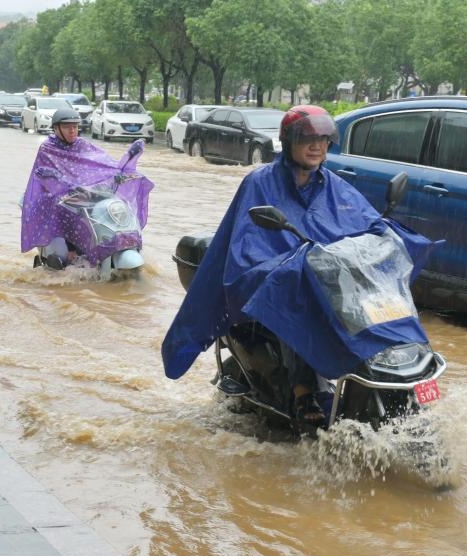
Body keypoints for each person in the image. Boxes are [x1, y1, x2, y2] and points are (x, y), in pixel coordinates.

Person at [160, 104, 435, 425]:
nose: (317, 146)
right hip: (265, 275)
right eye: (307, 139)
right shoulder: (260, 183)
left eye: (323, 139)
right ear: (288, 141)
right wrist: (293, 261)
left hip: (326, 277)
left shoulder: (334, 185)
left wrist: (388, 238)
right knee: (295, 292)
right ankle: (304, 391)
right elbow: (248, 247)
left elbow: (366, 222)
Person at [21, 107, 151, 268]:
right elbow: (44, 176)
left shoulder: (82, 145)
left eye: (75, 126)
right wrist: (58, 181)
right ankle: (63, 256)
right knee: (61, 211)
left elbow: (102, 162)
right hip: (53, 197)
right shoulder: (47, 148)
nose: (72, 131)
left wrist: (119, 172)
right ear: (56, 128)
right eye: (68, 127)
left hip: (82, 194)